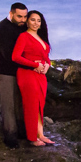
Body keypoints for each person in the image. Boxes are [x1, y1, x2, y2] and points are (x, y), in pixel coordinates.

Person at [11, 10, 54, 146]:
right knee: (31, 104)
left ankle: (40, 134)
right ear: (27, 21)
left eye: (38, 20)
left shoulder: (41, 38)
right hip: (27, 74)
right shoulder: (23, 36)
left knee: (40, 104)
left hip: (40, 75)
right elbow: (15, 57)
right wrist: (34, 65)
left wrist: (48, 65)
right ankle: (32, 138)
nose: (36, 23)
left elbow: (46, 55)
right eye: (33, 20)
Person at [0, 2, 30, 147]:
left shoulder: (22, 27)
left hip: (21, 71)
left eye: (25, 16)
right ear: (11, 13)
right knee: (8, 106)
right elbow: (9, 55)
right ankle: (10, 139)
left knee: (20, 104)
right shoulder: (2, 29)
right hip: (4, 72)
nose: (23, 20)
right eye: (19, 16)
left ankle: (22, 133)